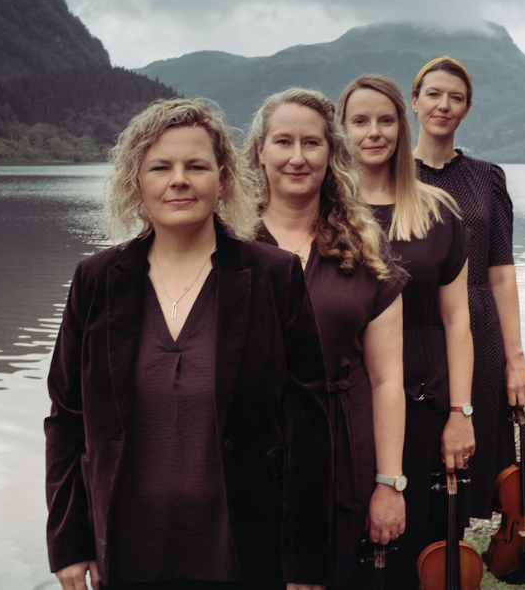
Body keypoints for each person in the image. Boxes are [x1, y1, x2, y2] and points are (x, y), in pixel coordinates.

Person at [44, 98, 333, 590]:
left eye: (196, 166)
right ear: (138, 182)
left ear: (223, 181)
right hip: (128, 553)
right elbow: (66, 419)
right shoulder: (96, 280)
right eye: (161, 167)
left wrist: (305, 562)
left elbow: (307, 426)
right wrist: (69, 542)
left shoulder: (274, 276)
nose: (179, 179)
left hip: (244, 554)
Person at [244, 87, 408, 589]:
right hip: (249, 458)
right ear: (260, 152)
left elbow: (387, 380)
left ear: (332, 154)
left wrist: (388, 484)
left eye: (312, 144)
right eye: (283, 142)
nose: (297, 158)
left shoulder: (364, 250)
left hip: (342, 458)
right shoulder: (226, 244)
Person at [337, 73, 475, 588]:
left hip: (423, 395)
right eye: (360, 121)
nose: (374, 132)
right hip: (346, 396)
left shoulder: (439, 211)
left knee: (418, 538)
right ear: (342, 131)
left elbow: (458, 320)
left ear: (402, 124)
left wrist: (461, 412)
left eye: (385, 120)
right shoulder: (326, 213)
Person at [410, 56, 525, 529]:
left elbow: (502, 272)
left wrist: (515, 357)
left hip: (479, 328)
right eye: (435, 94)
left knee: (466, 457)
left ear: (466, 109)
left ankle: (451, 561)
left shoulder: (487, 178)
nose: (444, 105)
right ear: (415, 100)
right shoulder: (394, 174)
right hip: (414, 325)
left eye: (456, 98)